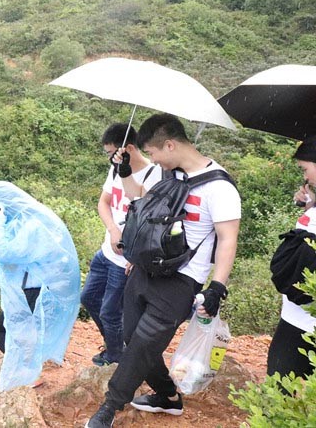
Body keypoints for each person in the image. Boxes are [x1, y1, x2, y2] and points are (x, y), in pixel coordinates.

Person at [86, 113, 241, 428]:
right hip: (145, 268)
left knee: (143, 344)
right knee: (133, 337)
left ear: (169, 145)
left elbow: (227, 240)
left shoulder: (219, 188)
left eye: (154, 152)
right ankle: (168, 397)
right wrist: (125, 171)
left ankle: (109, 407)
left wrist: (217, 287)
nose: (152, 159)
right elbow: (138, 199)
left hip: (181, 280)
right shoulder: (168, 174)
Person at [0, 181, 80, 391]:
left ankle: (29, 376)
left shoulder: (32, 226)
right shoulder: (27, 222)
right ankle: (29, 373)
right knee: (17, 330)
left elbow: (5, 252)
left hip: (35, 290)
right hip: (31, 289)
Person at [81, 123, 159, 366]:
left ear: (130, 148)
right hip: (106, 252)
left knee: (110, 311)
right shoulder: (116, 169)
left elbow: (153, 222)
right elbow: (103, 203)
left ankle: (116, 356)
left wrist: (134, 258)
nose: (109, 159)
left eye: (111, 153)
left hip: (126, 260)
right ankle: (116, 343)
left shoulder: (153, 176)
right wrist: (114, 230)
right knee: (89, 298)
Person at [267, 136, 316, 379]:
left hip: (302, 321)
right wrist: (309, 208)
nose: (305, 177)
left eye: (305, 169)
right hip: (296, 315)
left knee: (279, 385)